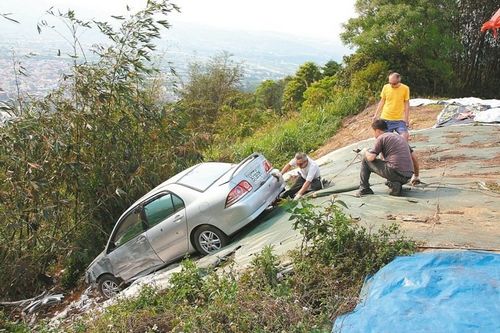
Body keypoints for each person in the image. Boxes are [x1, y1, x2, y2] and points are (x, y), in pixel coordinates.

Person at [358, 120, 414, 197]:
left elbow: (371, 158)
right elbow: (414, 157)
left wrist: (365, 151)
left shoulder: (381, 137)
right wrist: (416, 176)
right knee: (388, 163)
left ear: (377, 130)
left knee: (365, 160)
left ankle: (364, 189)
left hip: (395, 172)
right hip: (408, 176)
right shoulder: (399, 137)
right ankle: (395, 184)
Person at [373, 72, 410, 141]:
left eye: (394, 84)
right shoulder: (386, 87)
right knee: (383, 139)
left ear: (399, 81)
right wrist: (376, 115)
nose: (392, 85)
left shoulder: (405, 88)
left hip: (399, 120)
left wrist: (406, 119)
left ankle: (401, 149)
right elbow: (382, 101)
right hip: (385, 119)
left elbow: (406, 104)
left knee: (405, 136)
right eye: (390, 83)